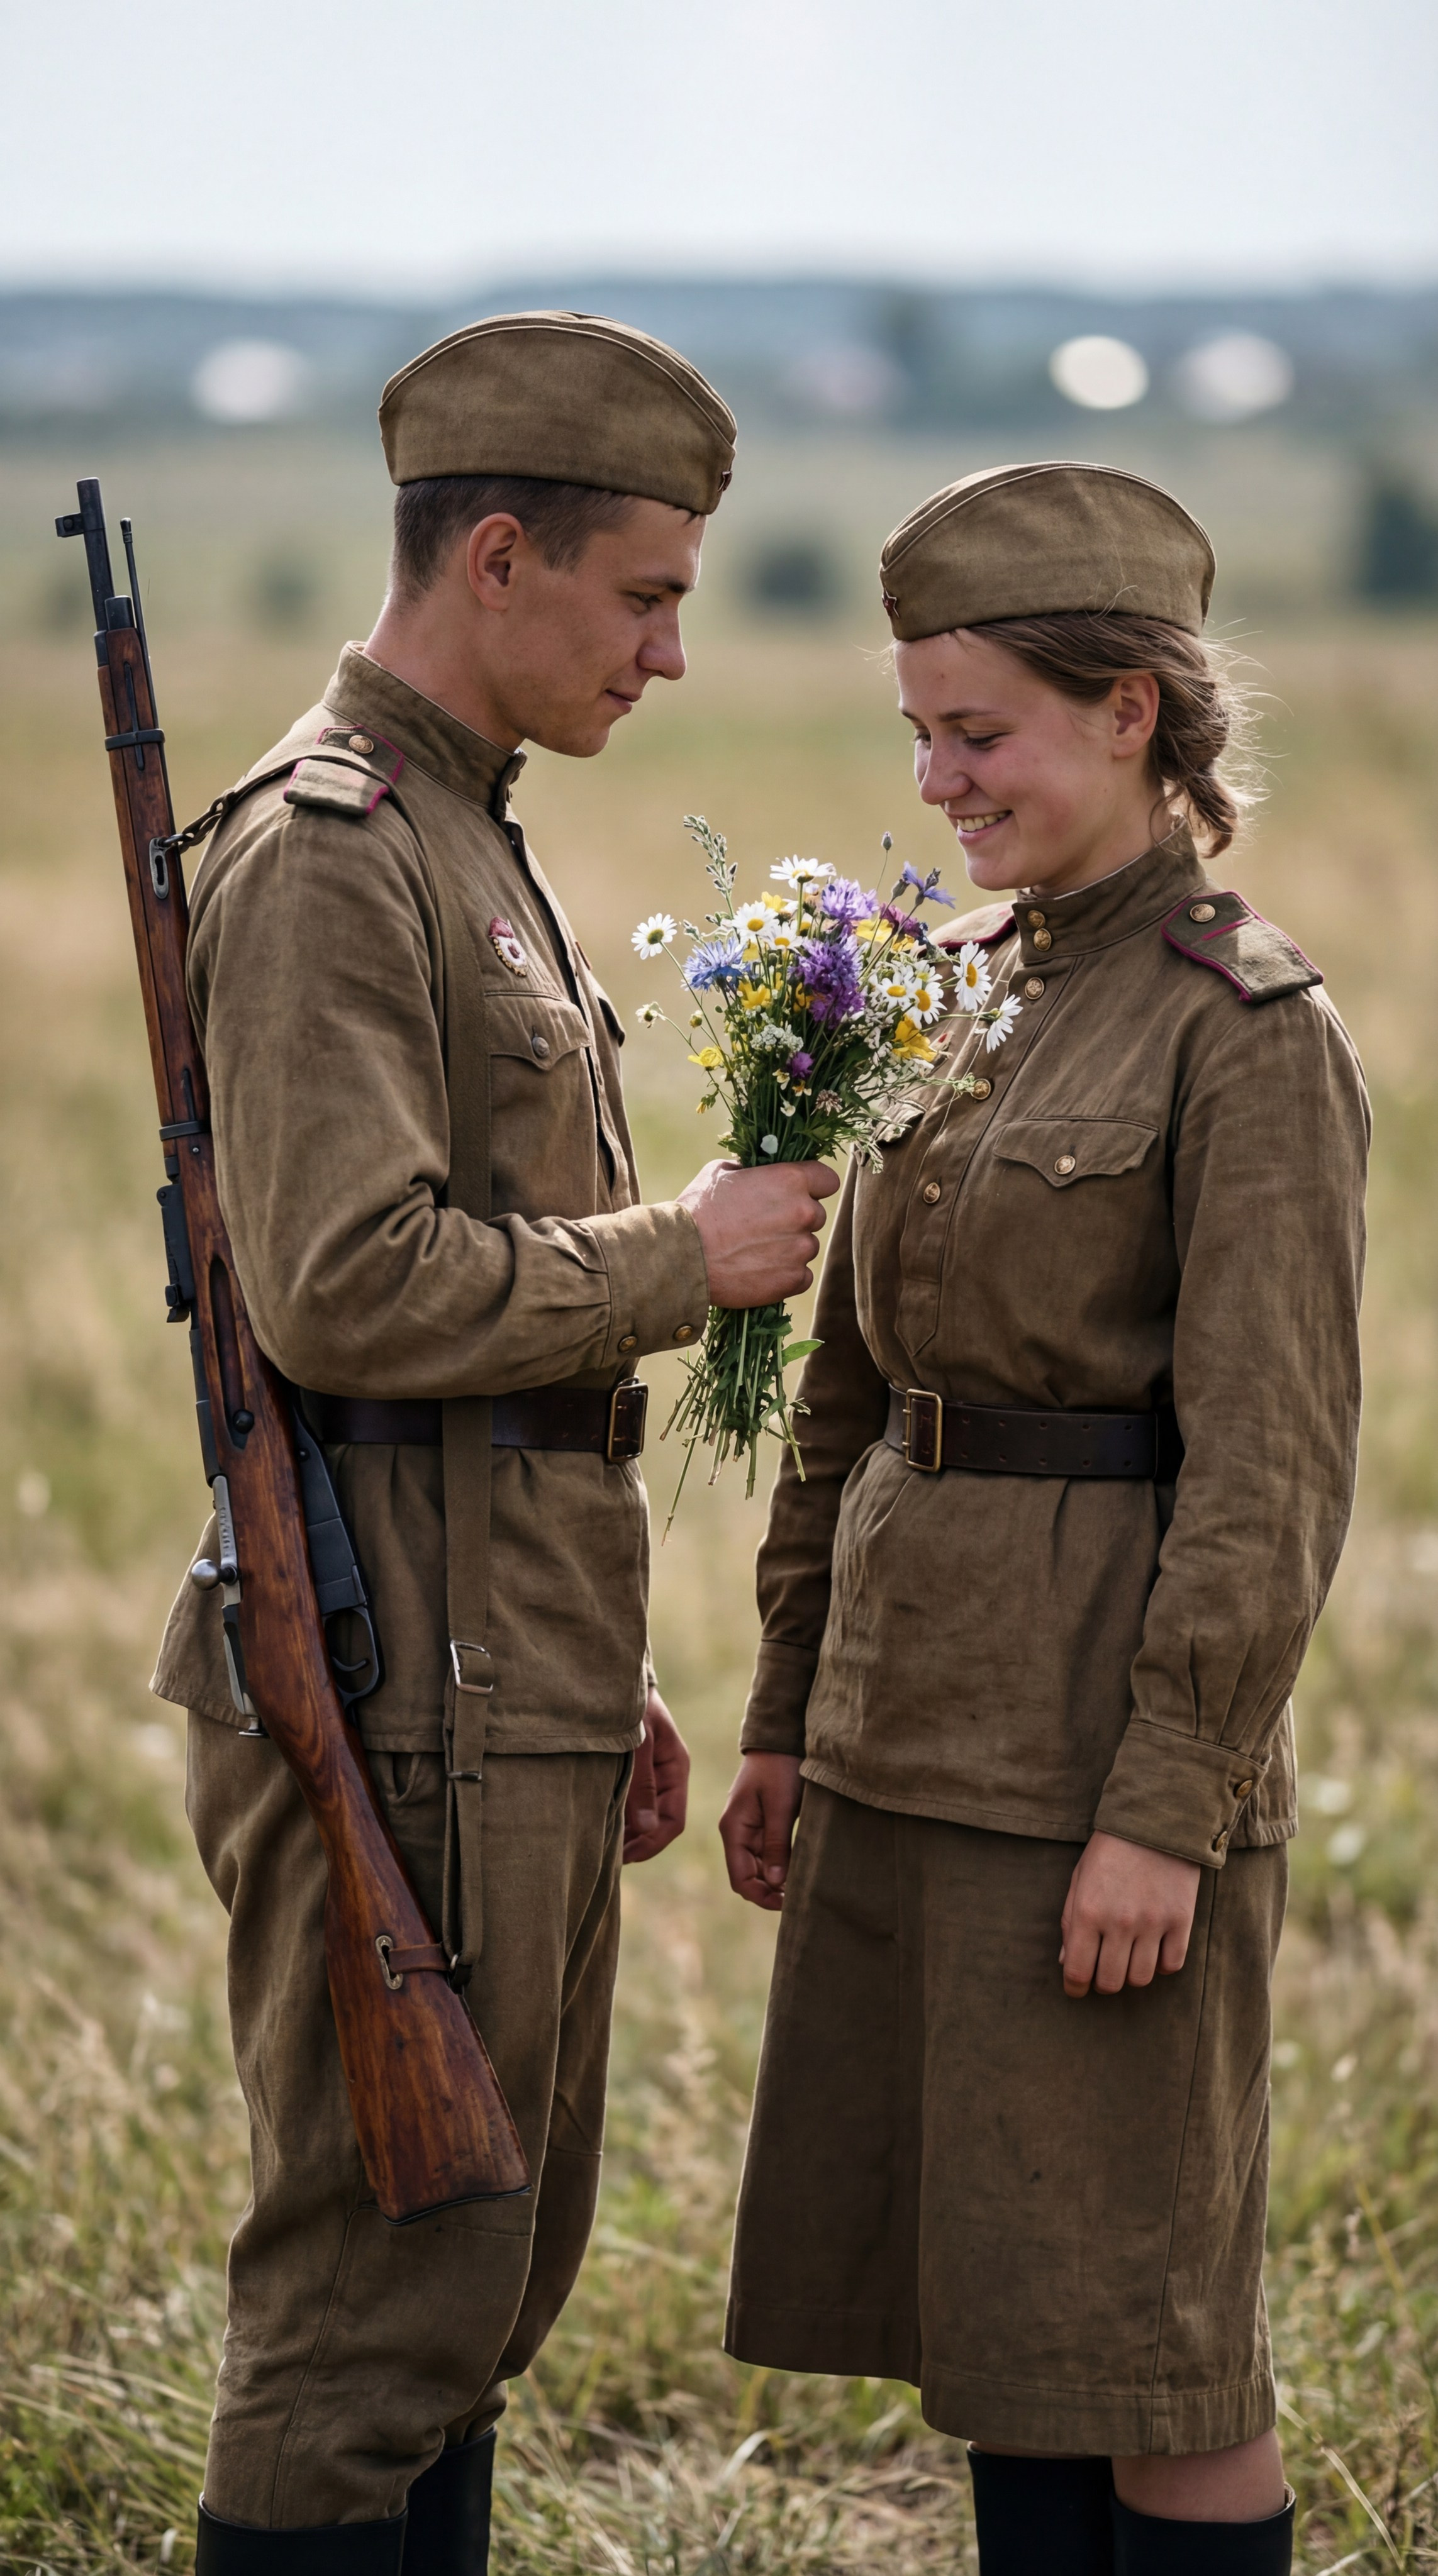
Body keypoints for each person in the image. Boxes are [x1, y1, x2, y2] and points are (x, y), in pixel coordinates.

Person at [150, 311, 838, 2572]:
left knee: (477, 2301)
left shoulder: (471, 837)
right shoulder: (342, 850)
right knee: (374, 2318)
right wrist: (692, 1257)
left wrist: (589, 1665)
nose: (667, 650)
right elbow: (348, 1285)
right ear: (504, 558)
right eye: (643, 595)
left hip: (486, 1659)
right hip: (399, 1688)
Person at [718, 461, 1368, 2575]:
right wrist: (784, 1712)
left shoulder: (1247, 1033)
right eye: (918, 732)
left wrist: (1164, 1809)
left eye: (976, 733)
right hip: (911, 1760)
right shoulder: (956, 983)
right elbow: (847, 1388)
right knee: (998, 2343)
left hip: (1094, 1785)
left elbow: (1270, 1471)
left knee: (1152, 2356)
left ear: (1133, 713)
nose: (938, 779)